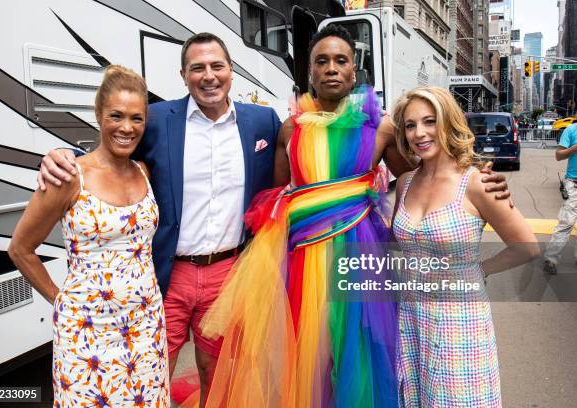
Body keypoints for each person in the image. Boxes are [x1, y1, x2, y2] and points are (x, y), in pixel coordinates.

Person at [194, 26, 512, 408]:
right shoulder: (290, 130)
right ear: (309, 73)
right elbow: (276, 195)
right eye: (321, 61)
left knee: (357, 354)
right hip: (301, 259)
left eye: (341, 60)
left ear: (354, 70)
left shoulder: (380, 127)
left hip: (361, 256)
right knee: (306, 356)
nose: (331, 68)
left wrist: (473, 174)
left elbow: (424, 173)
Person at [35, 33, 281, 404]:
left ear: (232, 71)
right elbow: (113, 145)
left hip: (229, 273)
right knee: (151, 370)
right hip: (168, 273)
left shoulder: (262, 122)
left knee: (217, 373)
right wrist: (61, 155)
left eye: (217, 66)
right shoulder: (159, 120)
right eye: (197, 68)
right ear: (183, 75)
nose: (209, 76)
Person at [8, 65, 170, 406]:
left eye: (136, 118)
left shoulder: (144, 171)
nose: (127, 127)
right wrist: (60, 300)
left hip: (145, 328)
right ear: (98, 116)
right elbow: (21, 249)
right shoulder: (70, 176)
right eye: (116, 115)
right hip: (87, 334)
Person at [391, 86, 540, 407]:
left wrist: (479, 270)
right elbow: (397, 244)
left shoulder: (477, 183)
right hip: (411, 316)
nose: (420, 133)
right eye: (410, 125)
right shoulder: (404, 183)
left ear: (447, 123)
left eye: (430, 121)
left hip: (459, 322)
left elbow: (527, 246)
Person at [543, 122, 577, 275]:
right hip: (573, 184)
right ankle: (550, 259)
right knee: (566, 222)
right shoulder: (571, 130)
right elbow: (558, 155)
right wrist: (575, 148)